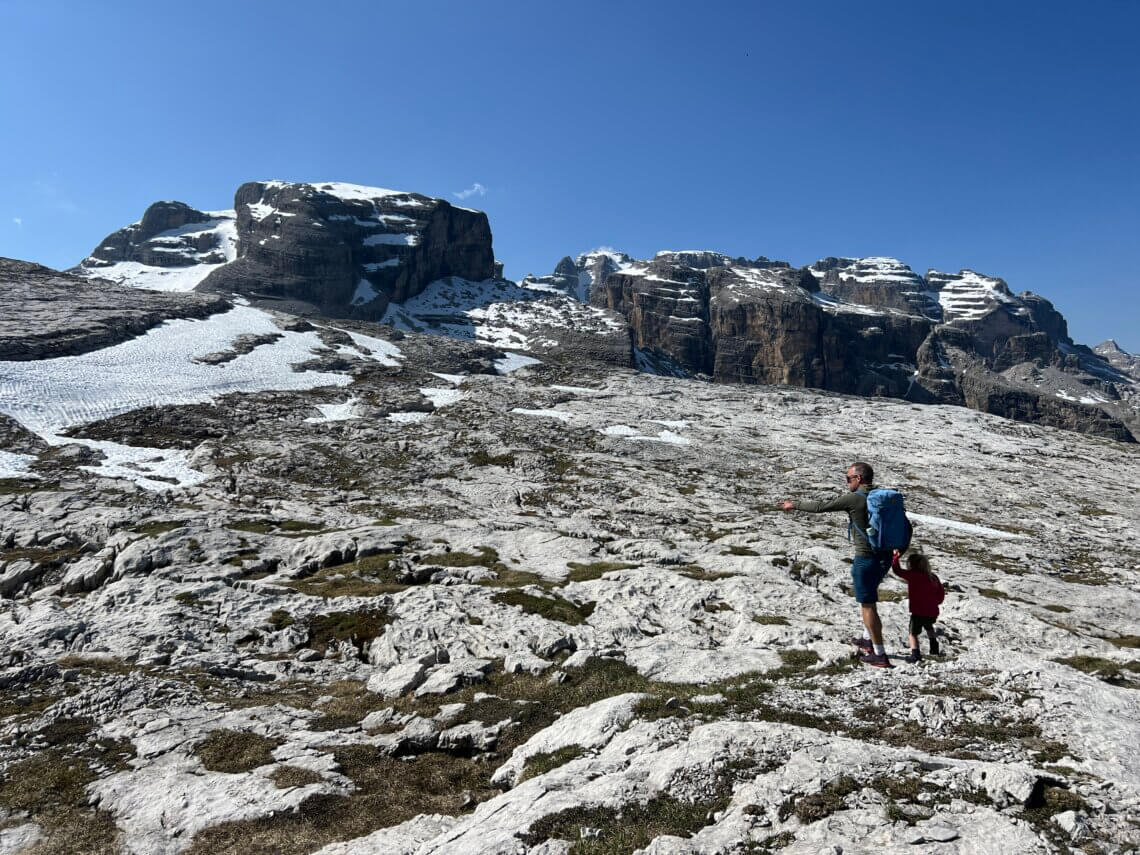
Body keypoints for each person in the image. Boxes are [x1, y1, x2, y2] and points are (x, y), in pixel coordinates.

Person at [778, 461, 893, 668]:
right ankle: (868, 640)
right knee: (870, 599)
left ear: (858, 479)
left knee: (867, 605)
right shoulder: (883, 497)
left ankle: (879, 654)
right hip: (884, 558)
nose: (847, 482)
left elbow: (822, 507)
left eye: (848, 478)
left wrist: (794, 504)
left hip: (865, 559)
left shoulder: (855, 498)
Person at [891, 551, 943, 663]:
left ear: (911, 564)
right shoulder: (933, 576)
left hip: (918, 611)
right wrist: (935, 603)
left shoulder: (913, 575)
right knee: (929, 627)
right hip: (932, 610)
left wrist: (895, 557)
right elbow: (941, 593)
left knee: (913, 633)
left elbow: (897, 571)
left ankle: (915, 655)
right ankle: (934, 649)